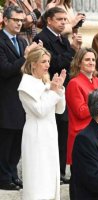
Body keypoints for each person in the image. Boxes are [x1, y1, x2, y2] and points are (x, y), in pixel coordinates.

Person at [33, 6, 82, 184]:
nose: (63, 22)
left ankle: (60, 171)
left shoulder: (62, 39)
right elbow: (53, 65)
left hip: (63, 90)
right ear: (49, 20)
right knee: (54, 131)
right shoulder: (41, 38)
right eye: (60, 19)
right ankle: (54, 171)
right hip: (49, 89)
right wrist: (72, 50)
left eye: (65, 19)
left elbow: (69, 65)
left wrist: (74, 50)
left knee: (62, 132)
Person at [0, 5, 40, 190]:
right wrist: (25, 57)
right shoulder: (0, 41)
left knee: (17, 139)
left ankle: (12, 174)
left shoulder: (23, 42)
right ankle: (3, 177)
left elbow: (27, 70)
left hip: (22, 99)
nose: (18, 23)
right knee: (5, 139)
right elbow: (5, 70)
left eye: (21, 20)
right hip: (5, 99)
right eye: (15, 20)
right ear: (5, 20)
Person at [18, 47, 66, 200]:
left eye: (48, 62)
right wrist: (52, 91)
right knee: (38, 177)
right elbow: (39, 110)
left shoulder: (45, 82)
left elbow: (59, 110)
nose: (47, 65)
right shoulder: (26, 85)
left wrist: (59, 90)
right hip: (36, 134)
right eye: (43, 62)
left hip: (50, 132)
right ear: (33, 63)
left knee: (50, 175)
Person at [66, 47, 98, 166]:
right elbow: (81, 112)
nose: (91, 62)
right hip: (81, 133)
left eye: (93, 60)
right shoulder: (74, 83)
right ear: (79, 63)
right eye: (87, 60)